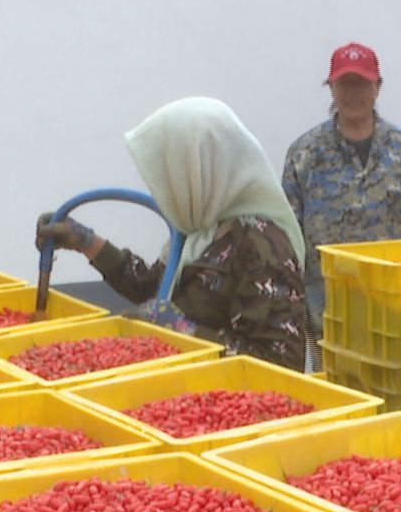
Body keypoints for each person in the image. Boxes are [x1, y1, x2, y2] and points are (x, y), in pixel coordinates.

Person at [35, 97, 309, 370]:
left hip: (228, 401)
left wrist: (184, 331)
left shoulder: (261, 245)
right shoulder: (199, 229)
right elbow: (154, 288)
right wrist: (86, 242)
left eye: (170, 174)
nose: (161, 188)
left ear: (201, 169)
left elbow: (280, 364)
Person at [282, 42, 401, 368]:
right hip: (328, 315)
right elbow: (287, 237)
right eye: (345, 84)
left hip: (398, 317)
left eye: (362, 84)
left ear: (378, 86)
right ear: (331, 88)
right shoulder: (304, 154)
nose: (353, 93)